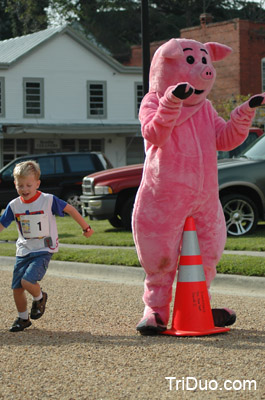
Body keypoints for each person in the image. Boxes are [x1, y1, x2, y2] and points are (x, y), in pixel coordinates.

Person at [0, 160, 94, 332]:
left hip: (43, 249)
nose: (25, 189)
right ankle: (23, 319)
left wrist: (86, 228)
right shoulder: (14, 205)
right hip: (23, 250)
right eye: (20, 185)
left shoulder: (48, 200)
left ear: (37, 183)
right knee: (17, 288)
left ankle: (40, 297)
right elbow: (1, 224)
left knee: (28, 281)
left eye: (29, 185)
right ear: (15, 184)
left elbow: (71, 210)